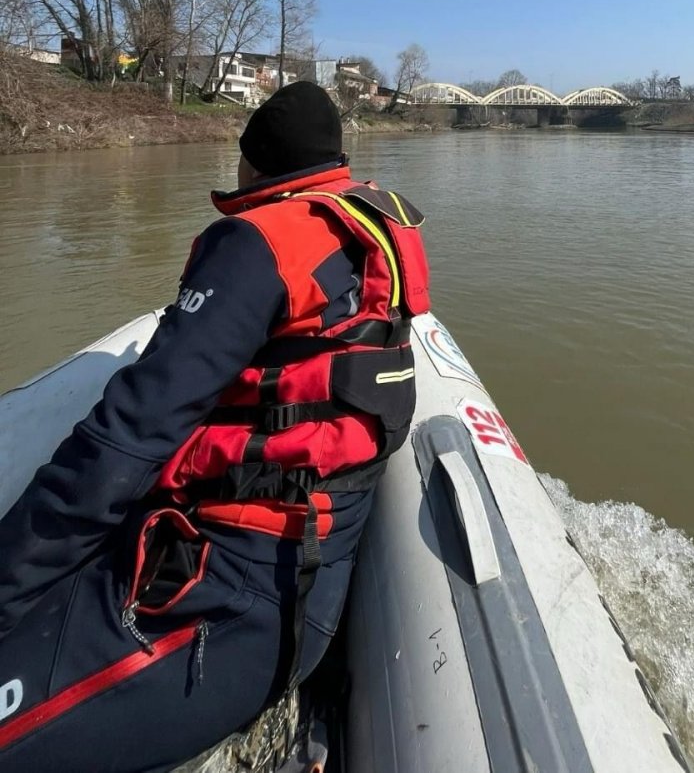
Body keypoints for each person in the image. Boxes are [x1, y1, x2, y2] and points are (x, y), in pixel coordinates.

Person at [0, 81, 430, 773]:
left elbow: (121, 444)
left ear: (253, 164)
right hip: (308, 580)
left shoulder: (257, 245)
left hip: (228, 605)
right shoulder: (360, 232)